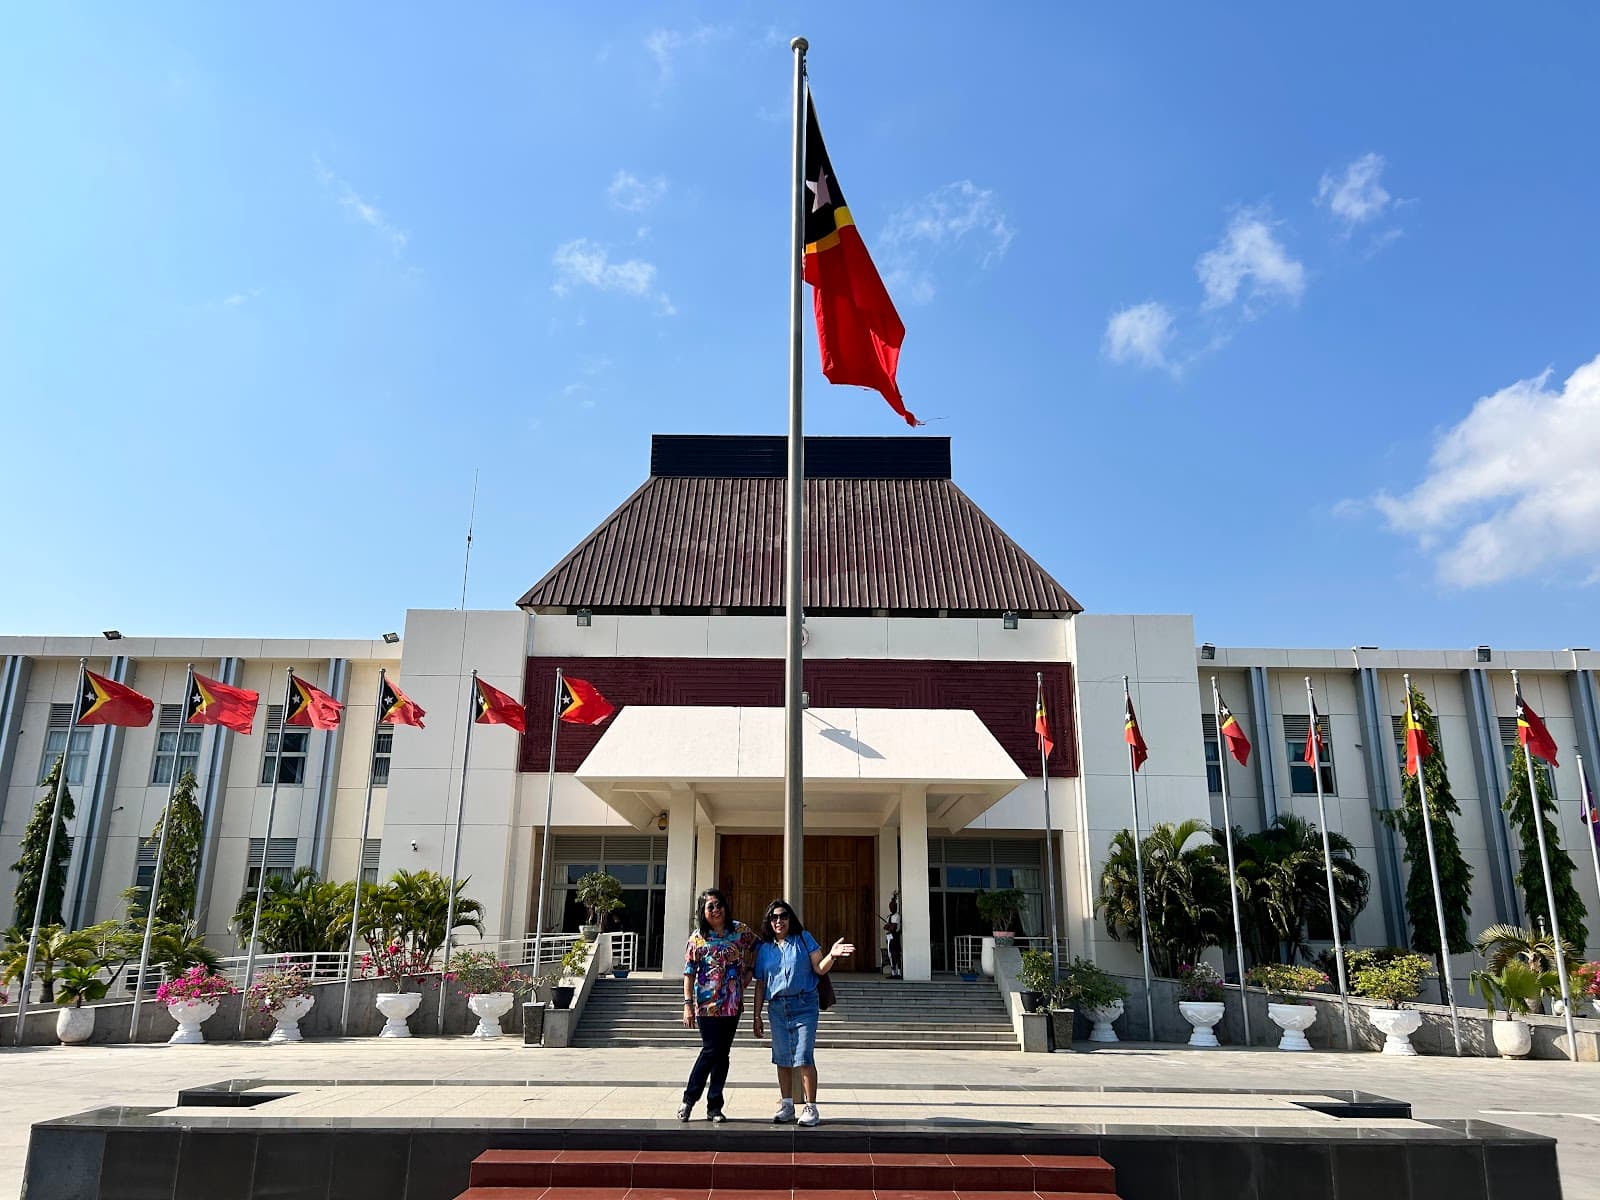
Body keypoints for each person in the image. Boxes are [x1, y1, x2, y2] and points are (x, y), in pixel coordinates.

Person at [750, 898, 853, 1127]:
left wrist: (832, 955)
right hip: (777, 1007)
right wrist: (756, 1015)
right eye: (774, 917)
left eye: (783, 916)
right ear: (769, 921)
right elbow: (760, 983)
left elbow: (819, 967)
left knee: (804, 1055)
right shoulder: (765, 948)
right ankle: (787, 1105)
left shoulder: (803, 939)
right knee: (782, 1058)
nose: (779, 921)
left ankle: (811, 1107)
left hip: (804, 1004)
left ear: (790, 919)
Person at [679, 887, 756, 1123]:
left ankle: (715, 1107)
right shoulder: (697, 937)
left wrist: (750, 972)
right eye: (710, 906)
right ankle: (689, 1099)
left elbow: (758, 946)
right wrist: (687, 1004)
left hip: (732, 1003)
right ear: (703, 911)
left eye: (718, 904)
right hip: (706, 1005)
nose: (716, 910)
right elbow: (689, 972)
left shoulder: (739, 930)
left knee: (723, 1054)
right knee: (711, 1050)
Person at [883, 893, 902, 979]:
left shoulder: (897, 916)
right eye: (890, 906)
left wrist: (889, 926)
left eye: (892, 906)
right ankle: (893, 972)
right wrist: (889, 926)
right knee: (890, 955)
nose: (891, 908)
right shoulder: (889, 916)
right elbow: (886, 927)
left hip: (895, 937)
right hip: (889, 938)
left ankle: (899, 972)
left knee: (896, 954)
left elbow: (893, 928)